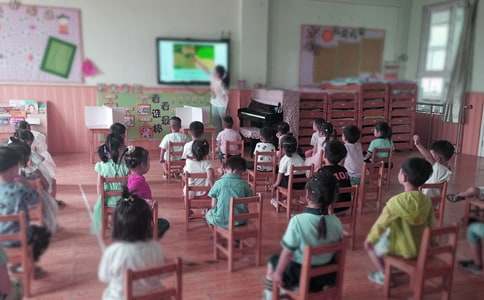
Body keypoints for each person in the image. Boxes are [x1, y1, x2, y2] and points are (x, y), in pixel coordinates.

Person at [264, 170, 343, 299]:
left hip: (300, 275)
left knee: (273, 261)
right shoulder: (336, 222)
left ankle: (269, 297)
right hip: (326, 277)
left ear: (307, 196)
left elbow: (287, 252)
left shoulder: (298, 221)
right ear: (332, 199)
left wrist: (278, 273)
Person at [365, 157, 434, 285]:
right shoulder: (427, 201)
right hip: (422, 248)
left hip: (401, 249)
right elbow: (431, 225)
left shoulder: (395, 202)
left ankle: (384, 275)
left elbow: (380, 226)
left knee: (372, 246)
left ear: (404, 177)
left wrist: (369, 240)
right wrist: (432, 245)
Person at [98, 192, 164, 300]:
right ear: (147, 224)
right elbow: (161, 274)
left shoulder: (113, 251)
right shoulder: (155, 248)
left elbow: (104, 276)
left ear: (117, 225)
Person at [0, 147, 51, 278]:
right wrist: (25, 183)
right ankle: (27, 264)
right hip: (19, 239)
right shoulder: (20, 190)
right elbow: (36, 201)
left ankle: (11, 264)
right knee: (42, 233)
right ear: (13, 169)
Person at [8, 142, 58, 234]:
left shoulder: (8, 173)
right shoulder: (30, 170)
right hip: (29, 203)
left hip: (11, 206)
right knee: (47, 202)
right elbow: (46, 185)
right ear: (26, 158)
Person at [124, 146, 170, 239]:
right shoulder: (138, 181)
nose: (149, 163)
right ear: (141, 165)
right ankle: (144, 233)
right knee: (164, 224)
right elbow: (129, 194)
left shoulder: (131, 177)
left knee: (162, 222)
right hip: (140, 215)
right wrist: (146, 202)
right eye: (148, 161)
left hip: (137, 213)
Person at [91, 134, 129, 234]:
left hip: (107, 200)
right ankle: (120, 224)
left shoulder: (101, 166)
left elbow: (99, 185)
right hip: (123, 200)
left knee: (100, 202)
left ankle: (108, 224)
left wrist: (102, 198)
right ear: (121, 149)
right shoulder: (126, 166)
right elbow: (128, 185)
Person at [205, 156, 252, 228]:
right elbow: (250, 198)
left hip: (220, 219)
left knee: (208, 214)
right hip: (240, 220)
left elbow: (213, 205)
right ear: (241, 171)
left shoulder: (218, 183)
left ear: (227, 169)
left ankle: (217, 228)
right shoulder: (244, 184)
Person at [271, 135, 306, 208]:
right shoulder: (300, 158)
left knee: (281, 179)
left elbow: (280, 173)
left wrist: (276, 184)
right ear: (295, 147)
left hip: (289, 184)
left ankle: (278, 201)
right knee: (294, 176)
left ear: (283, 148)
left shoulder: (285, 159)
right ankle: (295, 200)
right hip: (302, 184)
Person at [318, 140, 352, 211]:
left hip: (329, 208)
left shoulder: (322, 171)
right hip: (345, 206)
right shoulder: (344, 170)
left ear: (324, 155)